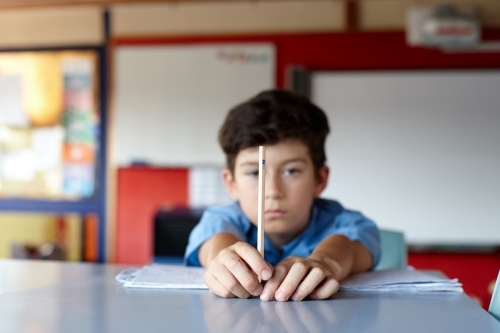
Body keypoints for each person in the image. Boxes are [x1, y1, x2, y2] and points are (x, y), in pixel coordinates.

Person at [185, 89, 380, 302]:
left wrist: (327, 262)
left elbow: (349, 247)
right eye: (254, 173)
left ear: (319, 180)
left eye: (291, 171)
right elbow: (215, 242)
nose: (272, 191)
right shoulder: (221, 219)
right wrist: (224, 258)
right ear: (231, 184)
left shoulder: (347, 223)